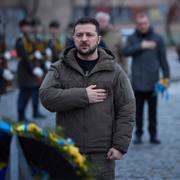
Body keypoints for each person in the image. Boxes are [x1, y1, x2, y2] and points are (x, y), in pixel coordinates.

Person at [40, 17, 135, 179]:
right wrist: (83, 95)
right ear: (73, 38)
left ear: (98, 39)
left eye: (89, 35)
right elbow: (46, 96)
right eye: (79, 35)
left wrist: (120, 146)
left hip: (102, 154)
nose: (84, 39)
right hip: (68, 150)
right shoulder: (59, 68)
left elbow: (127, 107)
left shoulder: (114, 70)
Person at [123, 13, 170, 144]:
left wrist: (166, 77)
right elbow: (125, 52)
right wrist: (141, 46)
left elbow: (163, 60)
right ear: (136, 25)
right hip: (137, 82)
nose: (142, 26)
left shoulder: (158, 38)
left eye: (144, 23)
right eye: (139, 24)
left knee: (152, 112)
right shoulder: (132, 38)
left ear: (148, 23)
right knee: (138, 112)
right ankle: (138, 134)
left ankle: (153, 135)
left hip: (154, 82)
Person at [15, 18, 44, 121]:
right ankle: (20, 115)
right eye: (25, 26)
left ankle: (23, 115)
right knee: (23, 94)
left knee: (28, 94)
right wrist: (33, 70)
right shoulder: (21, 40)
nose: (28, 28)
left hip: (30, 71)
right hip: (24, 71)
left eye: (28, 26)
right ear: (21, 27)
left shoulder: (28, 38)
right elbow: (24, 57)